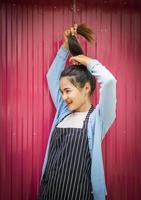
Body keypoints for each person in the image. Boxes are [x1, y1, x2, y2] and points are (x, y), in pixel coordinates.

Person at [37, 24, 117, 200]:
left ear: (86, 88)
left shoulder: (98, 118)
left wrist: (89, 62)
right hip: (48, 192)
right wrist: (65, 47)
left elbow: (109, 81)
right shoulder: (63, 111)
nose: (63, 96)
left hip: (78, 193)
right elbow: (52, 76)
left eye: (68, 91)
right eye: (62, 91)